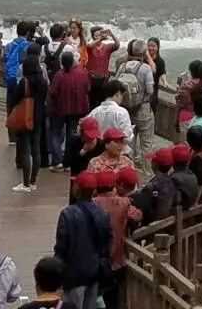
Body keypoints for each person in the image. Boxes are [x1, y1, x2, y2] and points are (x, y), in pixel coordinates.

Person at [54, 169, 112, 309]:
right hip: (93, 273)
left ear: (77, 188)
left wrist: (57, 275)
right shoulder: (102, 213)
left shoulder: (67, 214)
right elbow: (106, 245)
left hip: (73, 274)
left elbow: (61, 248)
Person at [93, 165, 142, 309]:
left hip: (94, 260)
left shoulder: (91, 203)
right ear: (113, 185)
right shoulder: (123, 202)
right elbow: (138, 215)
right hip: (116, 260)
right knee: (113, 299)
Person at [9, 45, 47, 192]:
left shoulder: (23, 82)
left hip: (25, 117)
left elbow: (15, 100)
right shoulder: (43, 82)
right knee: (36, 149)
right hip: (38, 116)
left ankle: (25, 183)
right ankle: (33, 181)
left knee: (25, 150)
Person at [48, 48, 91, 171]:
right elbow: (88, 89)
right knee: (71, 134)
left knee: (55, 133)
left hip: (59, 109)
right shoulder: (82, 74)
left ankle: (57, 162)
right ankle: (68, 162)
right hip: (77, 109)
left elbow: (53, 92)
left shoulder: (59, 75)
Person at [116, 40, 155, 163]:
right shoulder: (146, 68)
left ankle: (129, 169)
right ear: (144, 52)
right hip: (143, 109)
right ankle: (146, 170)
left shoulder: (123, 66)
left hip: (126, 109)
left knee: (129, 141)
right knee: (146, 143)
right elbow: (150, 90)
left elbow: (116, 84)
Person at [132, 147, 179, 224]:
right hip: (167, 222)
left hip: (152, 226)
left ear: (154, 164)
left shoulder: (151, 187)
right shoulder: (173, 181)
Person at [88, 79, 134, 155]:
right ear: (118, 94)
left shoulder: (94, 112)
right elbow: (127, 138)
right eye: (122, 95)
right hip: (118, 153)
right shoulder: (121, 112)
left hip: (98, 153)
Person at [84, 27, 119, 109]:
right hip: (91, 79)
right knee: (91, 102)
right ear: (92, 36)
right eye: (96, 35)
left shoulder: (107, 47)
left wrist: (112, 34)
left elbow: (117, 45)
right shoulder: (90, 47)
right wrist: (100, 39)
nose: (99, 37)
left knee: (102, 102)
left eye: (100, 35)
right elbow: (88, 47)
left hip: (103, 79)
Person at [68, 116, 104, 181]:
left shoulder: (101, 144)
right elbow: (68, 162)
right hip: (79, 177)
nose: (91, 138)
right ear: (82, 132)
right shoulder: (74, 142)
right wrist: (83, 151)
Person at [169, 142, 201, 208]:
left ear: (173, 161)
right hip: (187, 210)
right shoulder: (192, 175)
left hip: (177, 213)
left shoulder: (173, 179)